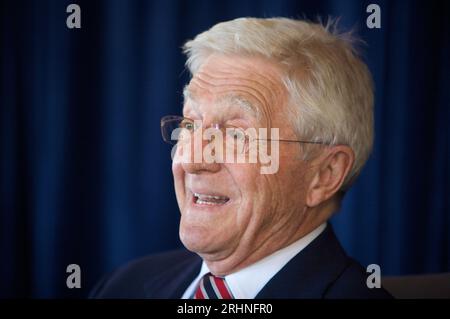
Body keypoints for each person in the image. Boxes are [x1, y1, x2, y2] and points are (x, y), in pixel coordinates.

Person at [91, 17, 392, 299]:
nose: (193, 160)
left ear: (324, 174)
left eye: (236, 135)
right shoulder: (124, 285)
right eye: (190, 125)